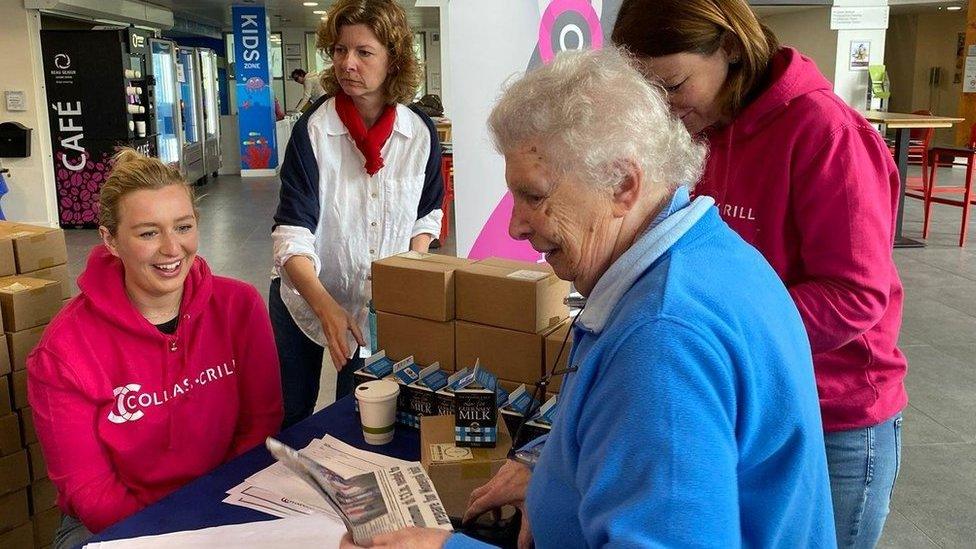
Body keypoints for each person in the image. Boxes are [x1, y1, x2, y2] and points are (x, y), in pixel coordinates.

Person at [341, 47, 834, 548]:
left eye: (534, 195)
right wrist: (561, 477)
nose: (515, 226)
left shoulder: (662, 343)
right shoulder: (705, 253)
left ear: (622, 184)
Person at [611, 1, 907, 547]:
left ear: (727, 46)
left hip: (832, 414)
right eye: (648, 94)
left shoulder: (825, 133)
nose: (666, 109)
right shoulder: (699, 128)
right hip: (740, 403)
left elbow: (855, 295)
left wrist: (719, 334)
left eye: (674, 85)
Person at [27, 149, 283, 549]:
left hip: (224, 502)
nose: (171, 249)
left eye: (183, 227)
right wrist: (179, 534)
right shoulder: (63, 351)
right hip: (115, 525)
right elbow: (88, 490)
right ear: (110, 240)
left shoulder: (239, 307)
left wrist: (218, 519)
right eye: (148, 233)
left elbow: (260, 423)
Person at [272, 0, 443, 429]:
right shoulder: (313, 130)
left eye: (363, 52)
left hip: (374, 307)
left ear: (394, 60)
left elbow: (428, 212)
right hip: (305, 300)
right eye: (339, 50)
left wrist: (409, 270)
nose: (347, 63)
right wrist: (326, 306)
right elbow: (292, 231)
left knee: (359, 413)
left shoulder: (418, 133)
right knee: (291, 413)